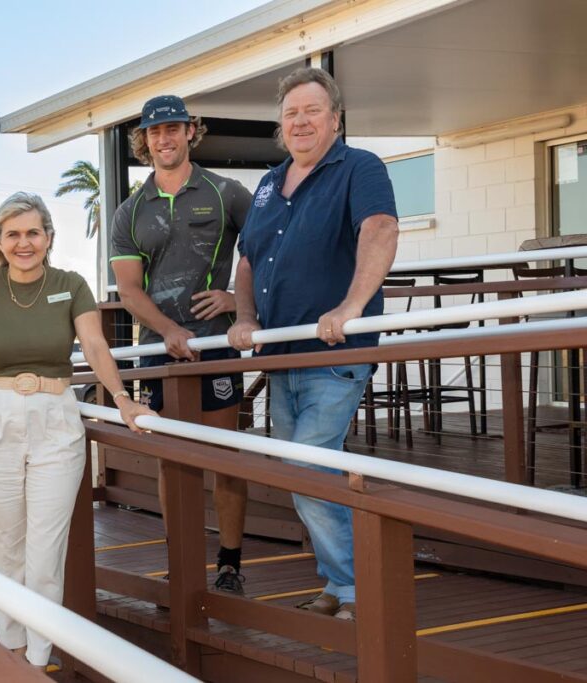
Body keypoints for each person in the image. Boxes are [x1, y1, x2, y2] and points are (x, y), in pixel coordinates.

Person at [0, 192, 154, 669]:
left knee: (45, 549)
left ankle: (37, 660)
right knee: (0, 546)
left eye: (33, 233)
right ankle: (12, 649)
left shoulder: (70, 284)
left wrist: (122, 400)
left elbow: (95, 345)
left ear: (48, 237)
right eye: (12, 234)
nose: (23, 243)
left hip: (55, 417)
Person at [228, 67, 399, 621]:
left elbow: (380, 229)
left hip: (334, 355)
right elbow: (248, 259)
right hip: (282, 356)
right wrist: (245, 316)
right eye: (291, 114)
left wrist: (351, 307)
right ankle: (340, 582)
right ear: (281, 126)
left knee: (307, 469)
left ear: (335, 119)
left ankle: (356, 589)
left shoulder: (359, 167)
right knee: (301, 470)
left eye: (312, 111)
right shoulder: (268, 183)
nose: (300, 122)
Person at [110, 94, 253, 593]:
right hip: (158, 353)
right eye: (154, 131)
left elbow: (268, 250)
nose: (164, 138)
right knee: (171, 461)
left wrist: (237, 299)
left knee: (225, 456)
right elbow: (129, 289)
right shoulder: (130, 211)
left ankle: (230, 564)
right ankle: (182, 561)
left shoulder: (226, 192)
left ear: (191, 131)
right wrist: (168, 330)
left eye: (173, 128)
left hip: (217, 346)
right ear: (144, 141)